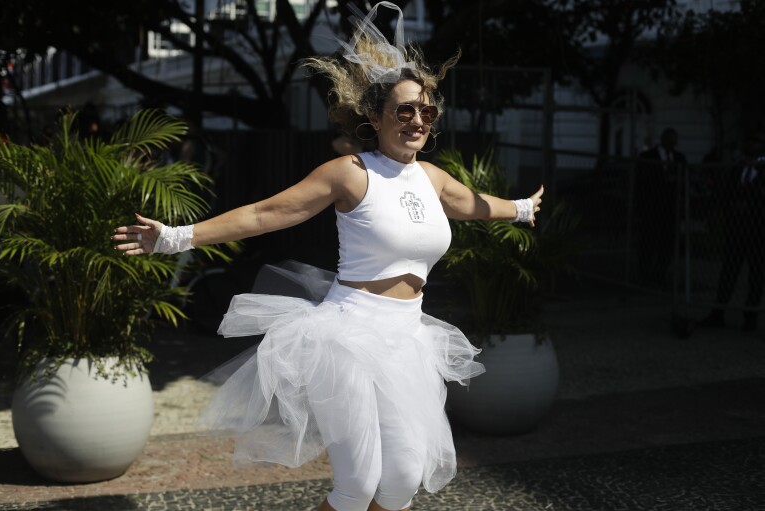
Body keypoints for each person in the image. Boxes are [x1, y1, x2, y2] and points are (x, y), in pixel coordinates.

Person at [112, 3, 543, 510]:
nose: (418, 121)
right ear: (375, 115)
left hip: (409, 337)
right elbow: (264, 214)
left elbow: (470, 205)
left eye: (427, 112)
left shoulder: (431, 178)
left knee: (404, 478)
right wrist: (175, 238)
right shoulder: (350, 172)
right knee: (357, 485)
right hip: (347, 335)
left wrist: (518, 208)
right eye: (405, 110)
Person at [700, 129, 765, 332]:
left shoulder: (761, 168)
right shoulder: (738, 168)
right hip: (737, 229)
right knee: (729, 271)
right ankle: (718, 312)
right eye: (749, 141)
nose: (751, 145)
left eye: (756, 141)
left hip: (758, 230)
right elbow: (726, 192)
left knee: (756, 274)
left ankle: (750, 317)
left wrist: (752, 204)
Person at [635, 127, 687, 287]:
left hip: (670, 209)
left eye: (674, 141)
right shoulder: (647, 157)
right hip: (651, 207)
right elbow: (640, 183)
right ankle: (645, 275)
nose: (672, 143)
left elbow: (684, 181)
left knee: (668, 243)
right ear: (663, 140)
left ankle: (659, 274)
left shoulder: (679, 158)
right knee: (647, 242)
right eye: (669, 140)